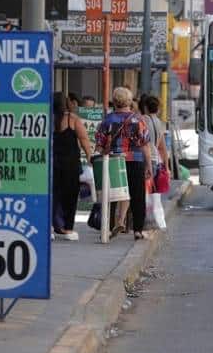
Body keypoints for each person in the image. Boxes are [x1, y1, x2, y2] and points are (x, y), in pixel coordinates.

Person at [95, 87, 152, 240]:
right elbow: (145, 144)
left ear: (114, 101)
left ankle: (108, 227)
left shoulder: (108, 120)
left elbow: (99, 144)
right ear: (129, 101)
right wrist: (149, 165)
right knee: (137, 195)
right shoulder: (139, 119)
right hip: (135, 160)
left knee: (111, 194)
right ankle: (138, 230)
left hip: (113, 161)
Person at [53, 92, 93, 241]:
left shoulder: (48, 119)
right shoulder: (72, 119)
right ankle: (68, 228)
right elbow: (84, 140)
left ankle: (52, 226)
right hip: (71, 165)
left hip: (53, 164)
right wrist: (90, 158)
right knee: (70, 197)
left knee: (53, 195)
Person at [140, 96, 170, 184]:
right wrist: (167, 167)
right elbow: (163, 147)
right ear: (158, 108)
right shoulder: (160, 123)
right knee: (152, 191)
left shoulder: (142, 119)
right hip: (156, 160)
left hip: (144, 160)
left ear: (145, 107)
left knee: (144, 191)